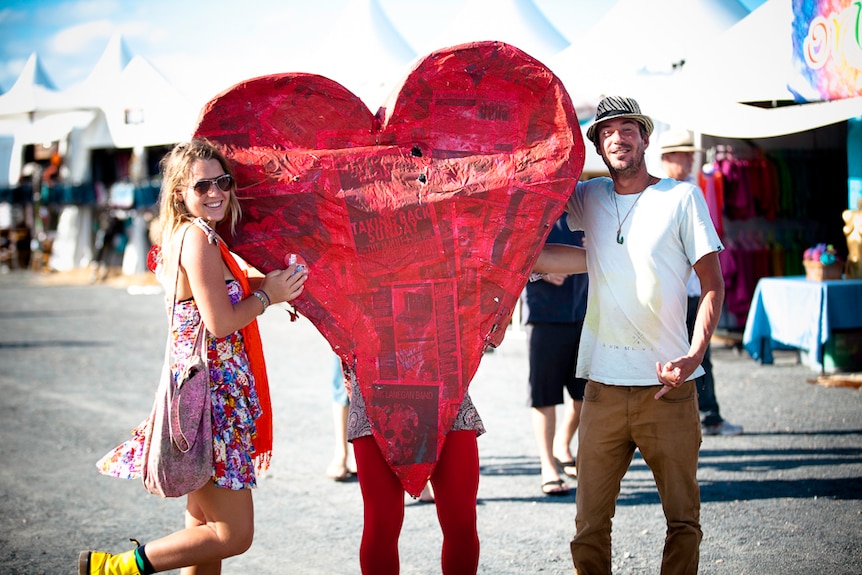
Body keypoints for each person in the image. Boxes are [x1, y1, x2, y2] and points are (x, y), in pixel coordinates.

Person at [79, 138, 308, 575]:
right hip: (210, 404)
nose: (215, 192)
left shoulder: (193, 237)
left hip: (206, 397)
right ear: (180, 193)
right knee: (232, 535)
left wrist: (274, 287)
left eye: (222, 182)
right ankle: (114, 568)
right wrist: (269, 296)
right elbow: (220, 321)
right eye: (201, 186)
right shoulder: (197, 237)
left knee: (205, 533)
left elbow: (221, 296)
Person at [534, 96, 724, 575]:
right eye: (607, 132)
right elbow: (544, 179)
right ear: (597, 145)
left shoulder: (682, 198)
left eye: (628, 129)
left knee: (683, 521)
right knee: (589, 528)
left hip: (670, 390)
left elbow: (712, 286)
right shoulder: (591, 197)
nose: (618, 137)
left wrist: (693, 353)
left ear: (645, 137)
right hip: (601, 388)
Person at [345, 361, 483, 574]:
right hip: (375, 392)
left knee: (462, 522)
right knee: (381, 523)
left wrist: (500, 326)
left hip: (446, 391)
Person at [659, 129, 742, 436]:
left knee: (701, 353)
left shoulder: (695, 189)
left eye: (691, 153)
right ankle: (675, 417)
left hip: (696, 288)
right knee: (664, 354)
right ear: (668, 158)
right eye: (685, 153)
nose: (691, 158)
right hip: (670, 292)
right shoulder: (659, 192)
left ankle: (709, 414)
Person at [523, 216, 588, 496]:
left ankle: (563, 444)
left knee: (584, 395)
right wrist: (542, 270)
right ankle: (547, 464)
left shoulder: (586, 207)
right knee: (545, 396)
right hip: (544, 315)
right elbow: (508, 256)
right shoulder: (531, 210)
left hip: (584, 313)